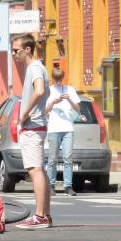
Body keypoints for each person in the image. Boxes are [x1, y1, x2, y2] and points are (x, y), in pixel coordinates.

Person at [11, 33, 52, 229]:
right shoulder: (37, 67)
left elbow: (40, 90)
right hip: (38, 124)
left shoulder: (34, 67)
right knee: (40, 171)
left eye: (16, 50)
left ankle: (40, 216)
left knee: (34, 170)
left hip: (33, 126)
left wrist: (24, 113)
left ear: (27, 49)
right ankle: (46, 214)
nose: (13, 54)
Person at [45, 67, 81, 196]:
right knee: (52, 159)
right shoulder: (48, 90)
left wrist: (69, 99)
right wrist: (54, 102)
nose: (58, 82)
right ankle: (50, 185)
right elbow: (45, 110)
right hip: (54, 128)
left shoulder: (69, 89)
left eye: (60, 79)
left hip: (67, 128)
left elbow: (78, 108)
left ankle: (68, 186)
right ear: (53, 79)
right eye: (56, 80)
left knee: (68, 158)